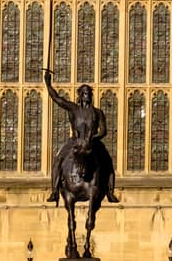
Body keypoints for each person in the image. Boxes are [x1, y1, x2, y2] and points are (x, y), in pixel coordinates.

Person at [44, 68, 119, 204]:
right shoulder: (74, 109)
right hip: (75, 142)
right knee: (58, 160)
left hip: (93, 142)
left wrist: (93, 138)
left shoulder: (97, 112)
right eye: (85, 93)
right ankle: (54, 191)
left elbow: (103, 131)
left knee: (107, 162)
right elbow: (57, 99)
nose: (87, 96)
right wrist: (48, 85)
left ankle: (110, 192)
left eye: (89, 93)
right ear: (80, 95)